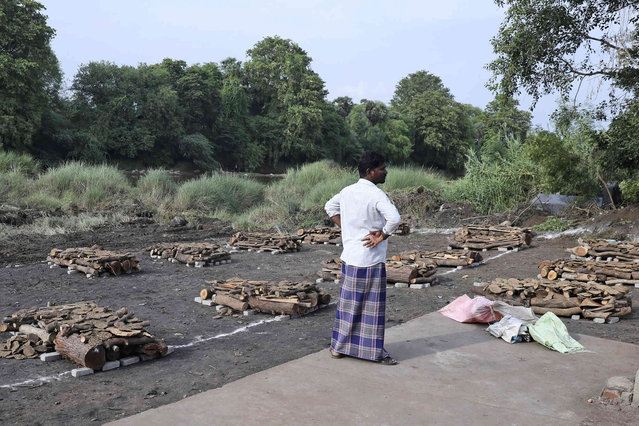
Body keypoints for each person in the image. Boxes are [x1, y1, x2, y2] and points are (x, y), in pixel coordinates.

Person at [324, 150, 401, 365]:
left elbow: (329, 207)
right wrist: (383, 234)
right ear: (370, 172)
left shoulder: (347, 191)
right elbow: (394, 218)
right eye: (382, 169)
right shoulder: (376, 194)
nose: (385, 172)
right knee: (371, 308)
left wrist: (346, 227)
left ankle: (338, 348)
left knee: (348, 305)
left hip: (349, 258)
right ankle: (370, 352)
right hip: (370, 259)